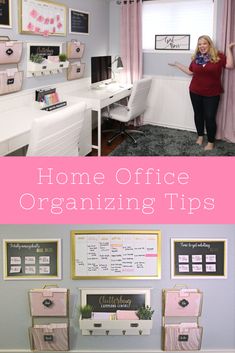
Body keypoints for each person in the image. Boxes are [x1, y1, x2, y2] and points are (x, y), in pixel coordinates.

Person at [169, 35, 235, 150]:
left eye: (204, 43)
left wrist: (229, 49)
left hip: (212, 94)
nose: (202, 46)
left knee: (210, 117)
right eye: (199, 44)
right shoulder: (196, 58)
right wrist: (177, 65)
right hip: (195, 91)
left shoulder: (218, 56)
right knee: (198, 115)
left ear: (209, 44)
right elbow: (190, 72)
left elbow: (230, 65)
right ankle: (200, 136)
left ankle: (210, 141)